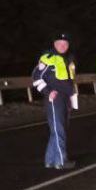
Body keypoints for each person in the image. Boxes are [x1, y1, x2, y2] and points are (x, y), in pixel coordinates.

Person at [32, 33, 78, 169]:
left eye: (65, 44)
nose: (62, 46)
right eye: (60, 43)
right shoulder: (48, 59)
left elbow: (71, 81)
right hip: (55, 98)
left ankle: (50, 159)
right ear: (54, 44)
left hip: (66, 99)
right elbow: (36, 78)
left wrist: (72, 96)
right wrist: (48, 91)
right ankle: (61, 161)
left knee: (59, 130)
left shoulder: (69, 60)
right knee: (59, 130)